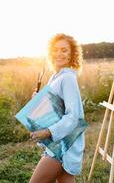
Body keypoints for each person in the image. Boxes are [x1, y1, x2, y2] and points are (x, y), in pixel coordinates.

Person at [29, 33, 85, 183]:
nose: (59, 54)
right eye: (55, 49)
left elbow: (72, 116)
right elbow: (56, 108)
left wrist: (47, 132)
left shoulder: (67, 78)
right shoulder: (55, 77)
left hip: (63, 146)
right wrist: (39, 101)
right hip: (60, 143)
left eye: (64, 50)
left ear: (72, 54)